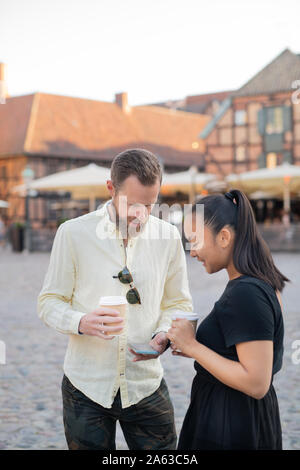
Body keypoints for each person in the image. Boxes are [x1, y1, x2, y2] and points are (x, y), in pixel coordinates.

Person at [37, 148, 193, 450]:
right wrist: (80, 321)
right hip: (85, 387)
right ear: (111, 188)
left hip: (145, 384)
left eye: (150, 204)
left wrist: (163, 334)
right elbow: (48, 302)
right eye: (133, 204)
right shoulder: (72, 234)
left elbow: (178, 303)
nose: (142, 214)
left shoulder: (169, 237)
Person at [167, 189, 289, 450]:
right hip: (247, 418)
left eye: (196, 241)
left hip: (229, 424)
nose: (192, 253)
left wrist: (193, 347)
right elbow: (243, 355)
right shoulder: (261, 281)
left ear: (224, 237)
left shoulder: (246, 293)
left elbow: (256, 382)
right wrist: (202, 349)